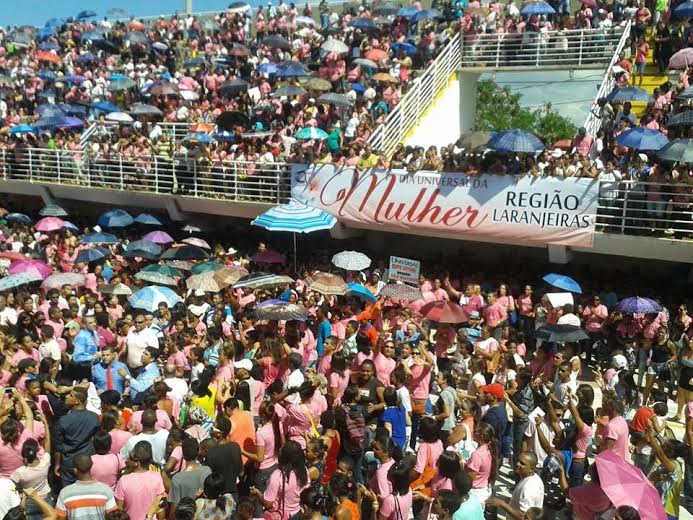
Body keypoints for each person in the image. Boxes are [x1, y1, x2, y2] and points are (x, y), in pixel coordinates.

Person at [250, 440, 310, 520]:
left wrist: (257, 493)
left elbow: (268, 504)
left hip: (281, 516)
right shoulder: (304, 471)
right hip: (298, 513)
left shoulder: (277, 476)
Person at [54, 387, 100, 487]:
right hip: (86, 462)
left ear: (77, 401)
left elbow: (58, 446)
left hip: (68, 463)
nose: (66, 396)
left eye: (70, 395)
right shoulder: (95, 417)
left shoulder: (63, 421)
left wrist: (57, 464)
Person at [54, 453, 118, 519]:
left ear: (75, 470)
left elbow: (60, 518)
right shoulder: (106, 490)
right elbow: (114, 516)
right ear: (91, 465)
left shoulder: (65, 493)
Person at [114, 441, 166, 520]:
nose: (126, 460)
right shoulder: (157, 477)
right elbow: (160, 507)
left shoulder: (123, 481)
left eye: (129, 458)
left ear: (136, 462)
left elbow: (119, 510)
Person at [487, 452, 543, 516]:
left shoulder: (528, 489)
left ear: (531, 469)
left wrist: (502, 504)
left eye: (522, 463)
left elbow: (523, 517)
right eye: (518, 460)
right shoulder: (533, 478)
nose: (517, 464)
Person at [168, 437, 212, 517]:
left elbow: (173, 510)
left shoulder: (177, 479)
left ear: (183, 455)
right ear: (197, 452)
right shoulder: (207, 471)